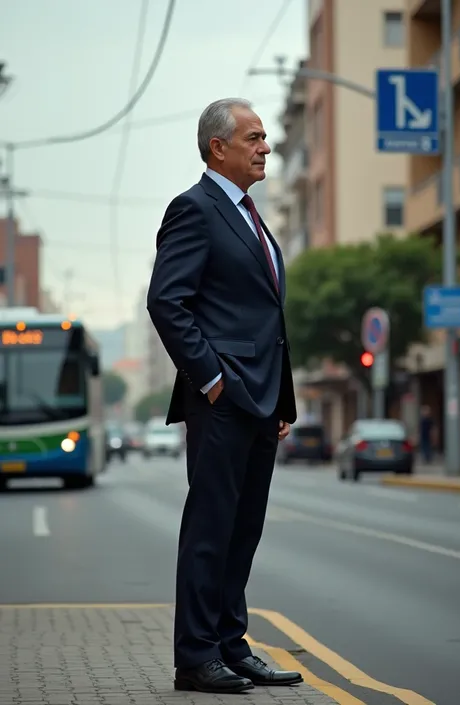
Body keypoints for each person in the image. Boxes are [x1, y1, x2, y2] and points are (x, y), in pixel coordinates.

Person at [147, 98, 302, 695]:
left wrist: (279, 400)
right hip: (222, 402)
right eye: (255, 137)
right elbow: (168, 301)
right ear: (219, 147)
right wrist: (212, 381)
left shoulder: (249, 215)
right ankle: (195, 657)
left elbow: (263, 316)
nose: (266, 146)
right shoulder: (195, 208)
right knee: (211, 529)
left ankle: (231, 645)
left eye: (265, 137)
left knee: (244, 528)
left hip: (260, 403)